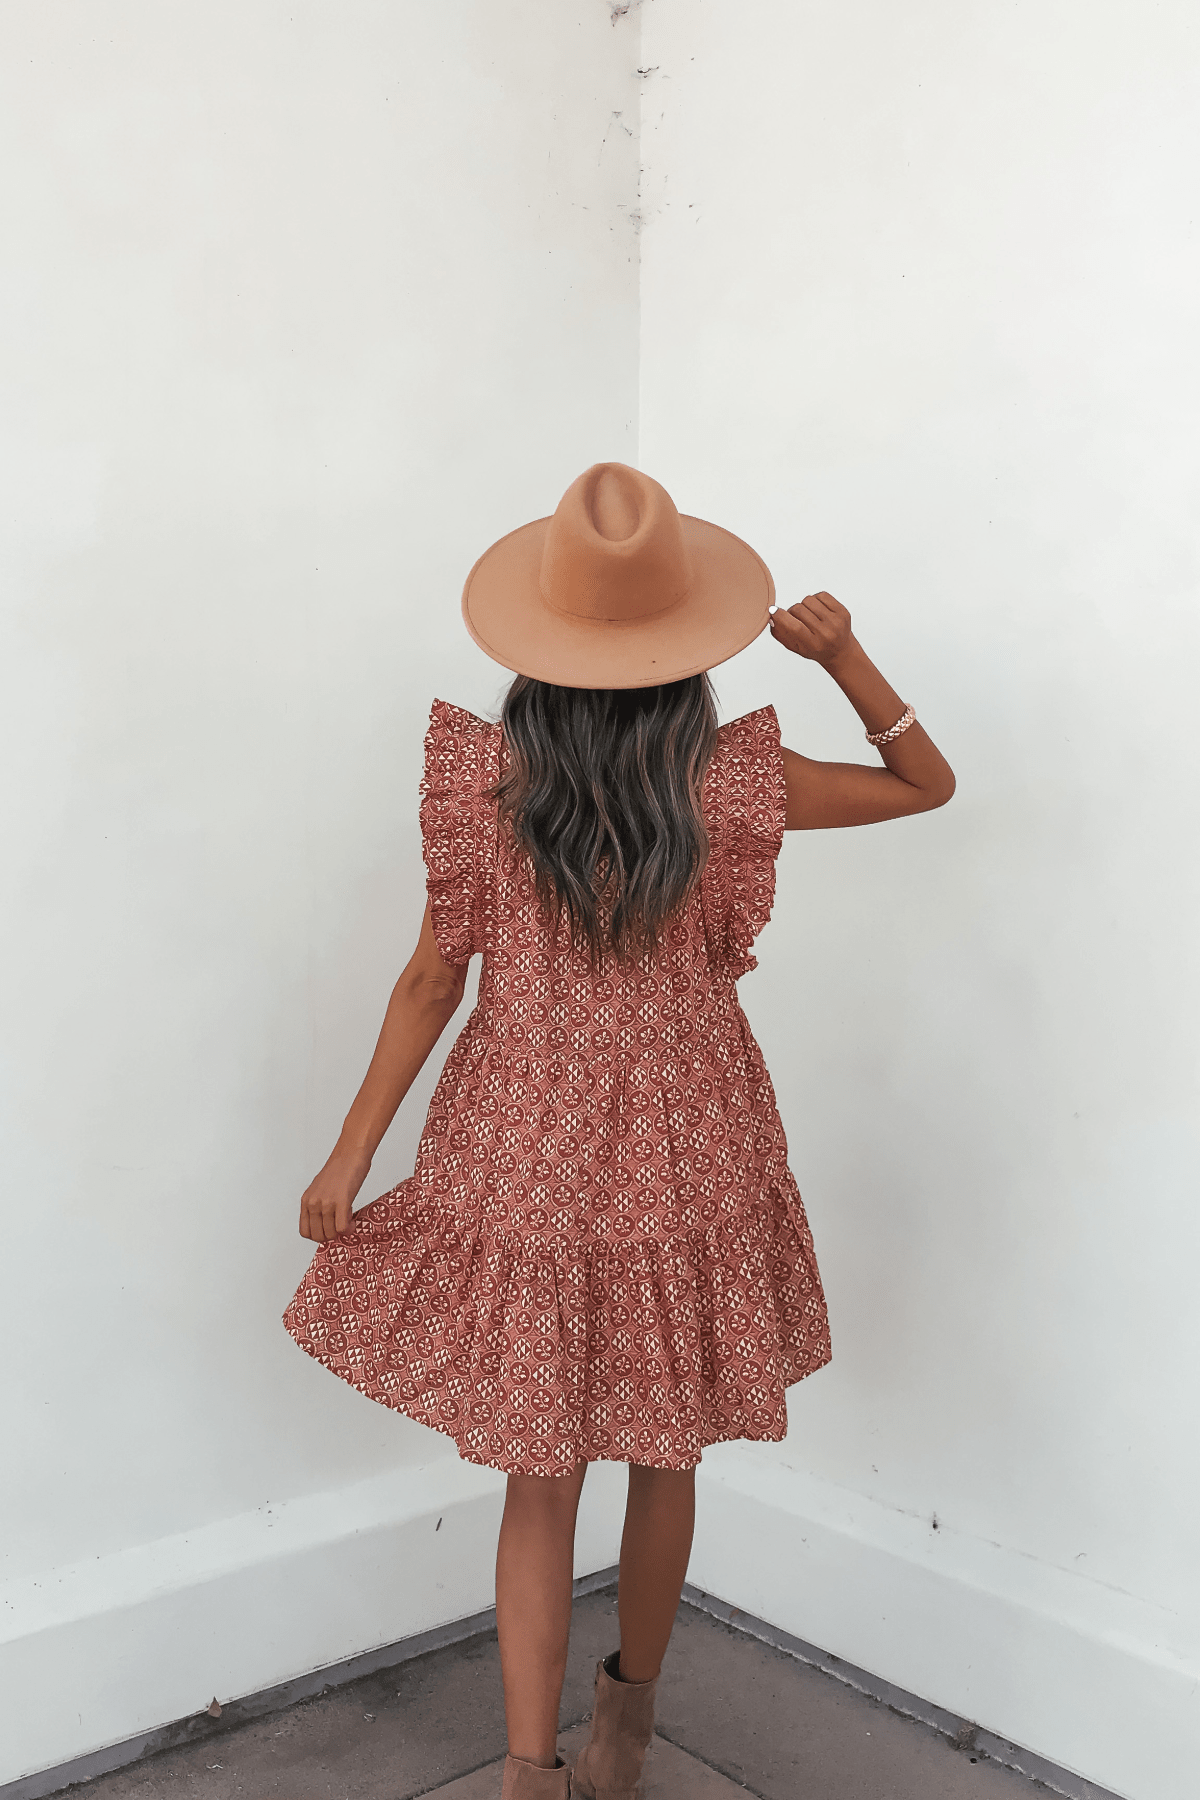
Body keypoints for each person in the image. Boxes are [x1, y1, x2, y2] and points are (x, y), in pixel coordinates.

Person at [282, 462, 955, 1798]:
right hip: (690, 1139)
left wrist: (352, 1150)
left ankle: (526, 1773)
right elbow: (922, 783)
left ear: (537, 649)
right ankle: (626, 1726)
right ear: (686, 646)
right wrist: (846, 656)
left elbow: (430, 982)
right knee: (665, 1446)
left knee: (538, 1478)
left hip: (521, 1141)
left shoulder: (488, 786)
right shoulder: (733, 786)